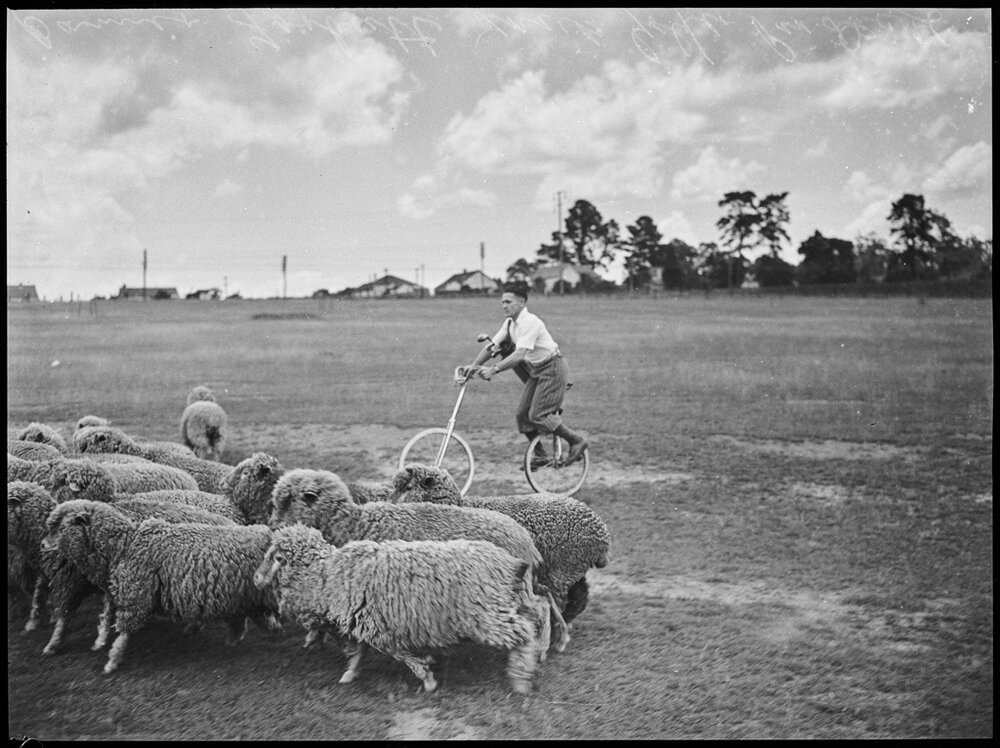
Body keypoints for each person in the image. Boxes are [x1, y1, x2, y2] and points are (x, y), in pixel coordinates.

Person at [461, 281, 589, 466]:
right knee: (522, 415)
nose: (504, 306)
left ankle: (576, 440)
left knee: (538, 415)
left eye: (508, 302)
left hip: (553, 368)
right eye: (503, 302)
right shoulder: (509, 324)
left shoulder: (530, 322)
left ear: (521, 302)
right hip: (538, 370)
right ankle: (540, 455)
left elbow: (520, 354)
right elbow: (492, 347)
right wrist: (473, 366)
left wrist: (494, 369)